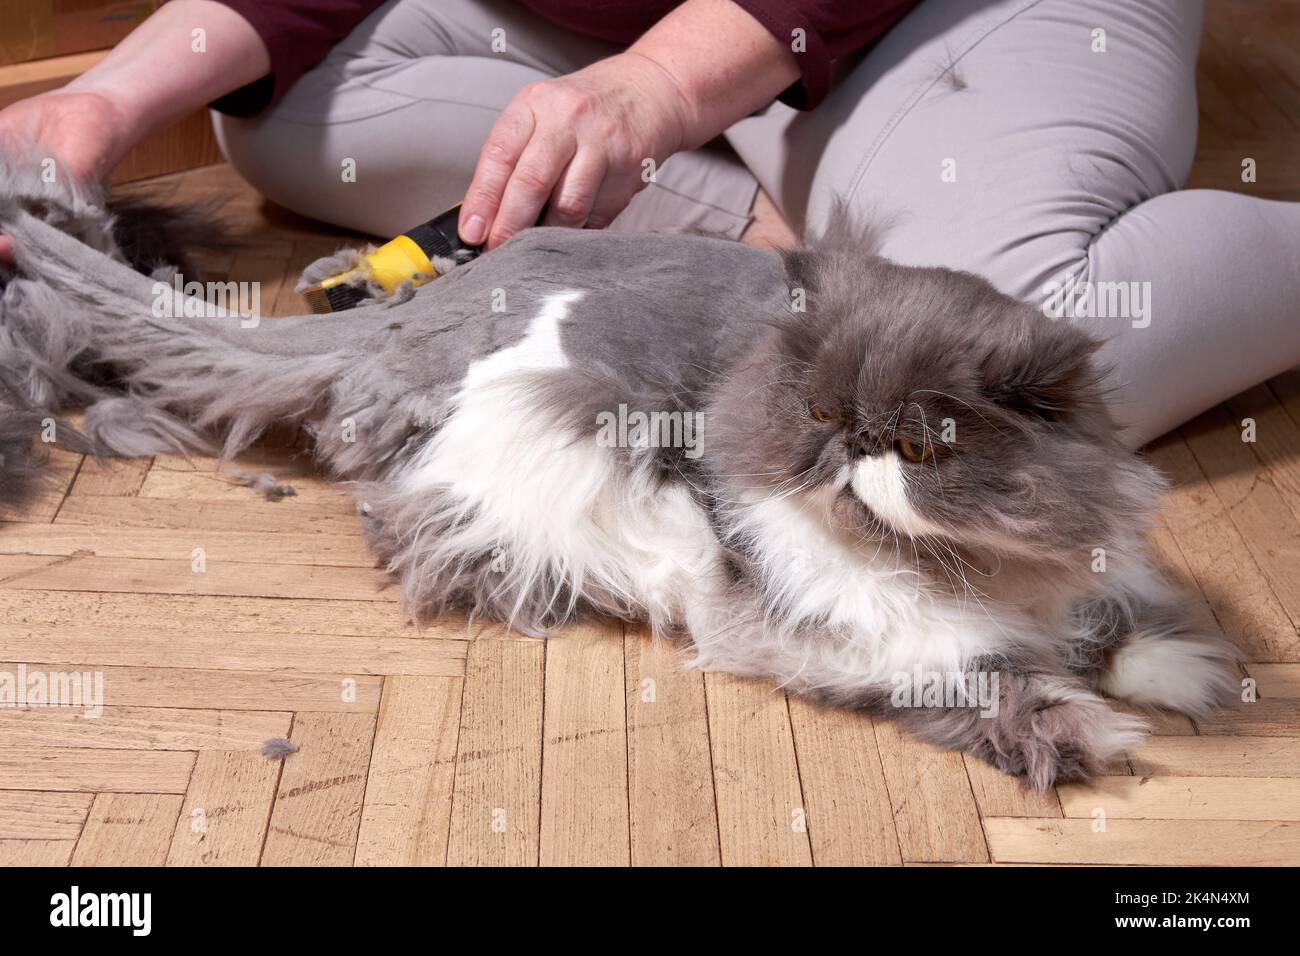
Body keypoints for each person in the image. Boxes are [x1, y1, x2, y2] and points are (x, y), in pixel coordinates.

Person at [1, 0, 1296, 447]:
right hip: (648, 30)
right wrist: (97, 109)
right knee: (284, 113)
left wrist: (664, 86)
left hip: (949, 21)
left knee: (1010, 364)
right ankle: (791, 225)